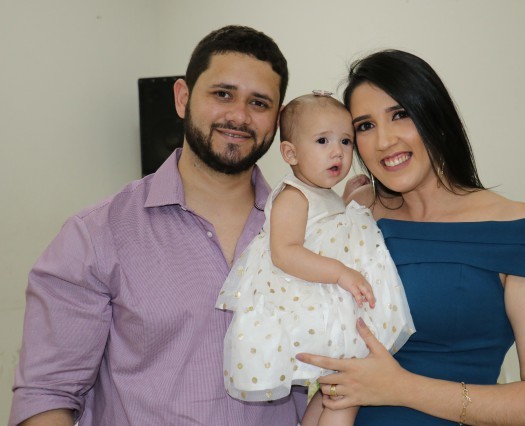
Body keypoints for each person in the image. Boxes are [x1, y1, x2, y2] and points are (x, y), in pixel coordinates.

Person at [9, 25, 307, 426]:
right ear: (182, 98)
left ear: (277, 118)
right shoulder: (96, 235)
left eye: (258, 102)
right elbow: (46, 397)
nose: (239, 116)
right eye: (222, 94)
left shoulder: (312, 233)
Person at [296, 50, 525, 425]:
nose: (384, 141)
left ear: (436, 118)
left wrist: (401, 388)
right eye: (365, 126)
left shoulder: (519, 229)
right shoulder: (354, 216)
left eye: (400, 114)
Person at [215, 93, 415, 426]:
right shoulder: (293, 196)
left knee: (333, 388)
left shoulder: (321, 194)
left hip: (328, 303)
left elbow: (327, 231)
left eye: (346, 141)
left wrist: (347, 202)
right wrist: (341, 273)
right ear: (290, 153)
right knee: (347, 389)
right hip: (307, 304)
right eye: (323, 141)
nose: (338, 151)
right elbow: (285, 252)